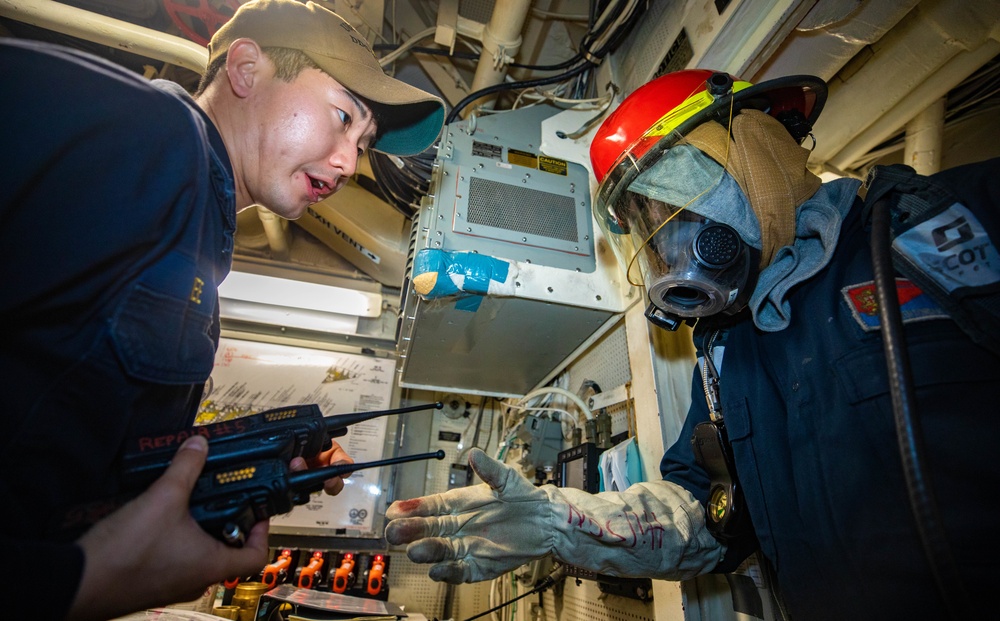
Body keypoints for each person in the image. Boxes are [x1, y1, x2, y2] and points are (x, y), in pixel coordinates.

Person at [384, 69, 1000, 619]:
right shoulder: (727, 355)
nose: (672, 255)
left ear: (751, 154)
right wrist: (559, 523)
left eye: (674, 210)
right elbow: (701, 515)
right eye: (653, 235)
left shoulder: (945, 223)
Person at [0, 0, 444, 619]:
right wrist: (83, 579)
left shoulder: (198, 236)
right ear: (245, 69)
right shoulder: (147, 133)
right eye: (343, 117)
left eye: (363, 143)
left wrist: (247, 459)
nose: (350, 161)